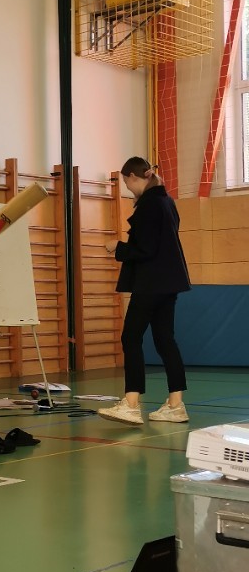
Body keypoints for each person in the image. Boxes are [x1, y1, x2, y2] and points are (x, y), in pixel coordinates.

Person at [97, 156, 191, 426]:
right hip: (169, 282)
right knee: (165, 340)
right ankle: (176, 405)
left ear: (133, 177)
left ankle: (130, 404)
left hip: (151, 282)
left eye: (127, 183)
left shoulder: (149, 205)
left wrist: (118, 246)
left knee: (131, 337)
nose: (128, 188)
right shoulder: (167, 201)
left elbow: (146, 249)